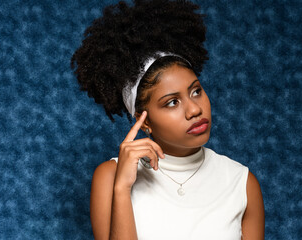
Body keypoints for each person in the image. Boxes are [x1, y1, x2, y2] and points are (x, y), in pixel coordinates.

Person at [71, 0, 264, 239]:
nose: (194, 109)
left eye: (196, 91)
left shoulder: (241, 182)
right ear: (145, 121)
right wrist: (122, 189)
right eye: (172, 102)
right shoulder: (110, 177)